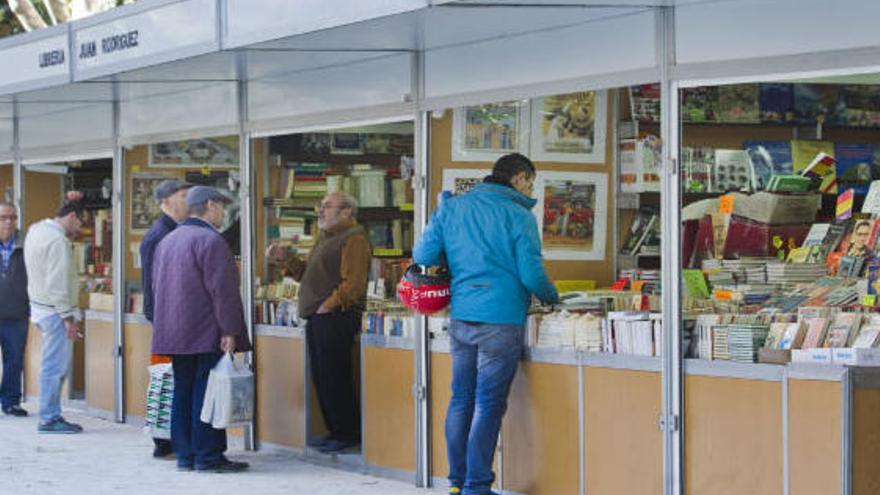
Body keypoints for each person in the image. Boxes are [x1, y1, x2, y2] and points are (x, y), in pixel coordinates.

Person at [413, 153, 559, 495]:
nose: (530, 189)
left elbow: (423, 255)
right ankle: (477, 485)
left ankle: (456, 481)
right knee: (488, 402)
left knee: (461, 398)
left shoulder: (453, 208)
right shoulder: (519, 215)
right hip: (501, 317)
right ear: (520, 178)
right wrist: (554, 298)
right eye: (531, 182)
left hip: (462, 315)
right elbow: (531, 273)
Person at [150, 186, 251, 473]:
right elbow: (223, 291)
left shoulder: (169, 240)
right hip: (206, 330)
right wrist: (230, 330)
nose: (223, 213)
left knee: (183, 391)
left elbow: (157, 288)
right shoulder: (211, 240)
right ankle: (208, 455)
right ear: (210, 205)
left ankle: (185, 455)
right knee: (208, 393)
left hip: (175, 330)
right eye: (221, 207)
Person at [267, 191, 371, 453]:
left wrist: (327, 306)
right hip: (319, 317)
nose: (321, 210)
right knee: (323, 377)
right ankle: (335, 430)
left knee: (335, 376)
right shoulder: (325, 238)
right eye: (321, 206)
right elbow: (309, 275)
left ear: (346, 211)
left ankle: (346, 433)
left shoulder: (354, 239)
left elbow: (354, 285)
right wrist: (286, 260)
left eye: (327, 206)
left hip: (335, 317)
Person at [139, 179, 193, 459]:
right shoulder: (159, 235)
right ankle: (163, 440)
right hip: (166, 321)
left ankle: (172, 438)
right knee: (166, 380)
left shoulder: (178, 231)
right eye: (182, 196)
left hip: (171, 319)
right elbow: (153, 284)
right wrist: (162, 319)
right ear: (165, 202)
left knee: (173, 380)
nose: (188, 199)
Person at [24, 195, 85, 434]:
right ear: (71, 216)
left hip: (39, 308)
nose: (79, 228)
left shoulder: (36, 230)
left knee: (52, 364)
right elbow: (57, 283)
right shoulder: (58, 241)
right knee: (55, 366)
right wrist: (68, 318)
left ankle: (50, 414)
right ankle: (49, 418)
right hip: (55, 312)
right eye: (79, 222)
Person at [0, 202, 29, 417]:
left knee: (14, 360)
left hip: (16, 314)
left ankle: (10, 402)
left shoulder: (26, 243)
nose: (9, 222)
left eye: (12, 217)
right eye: (3, 218)